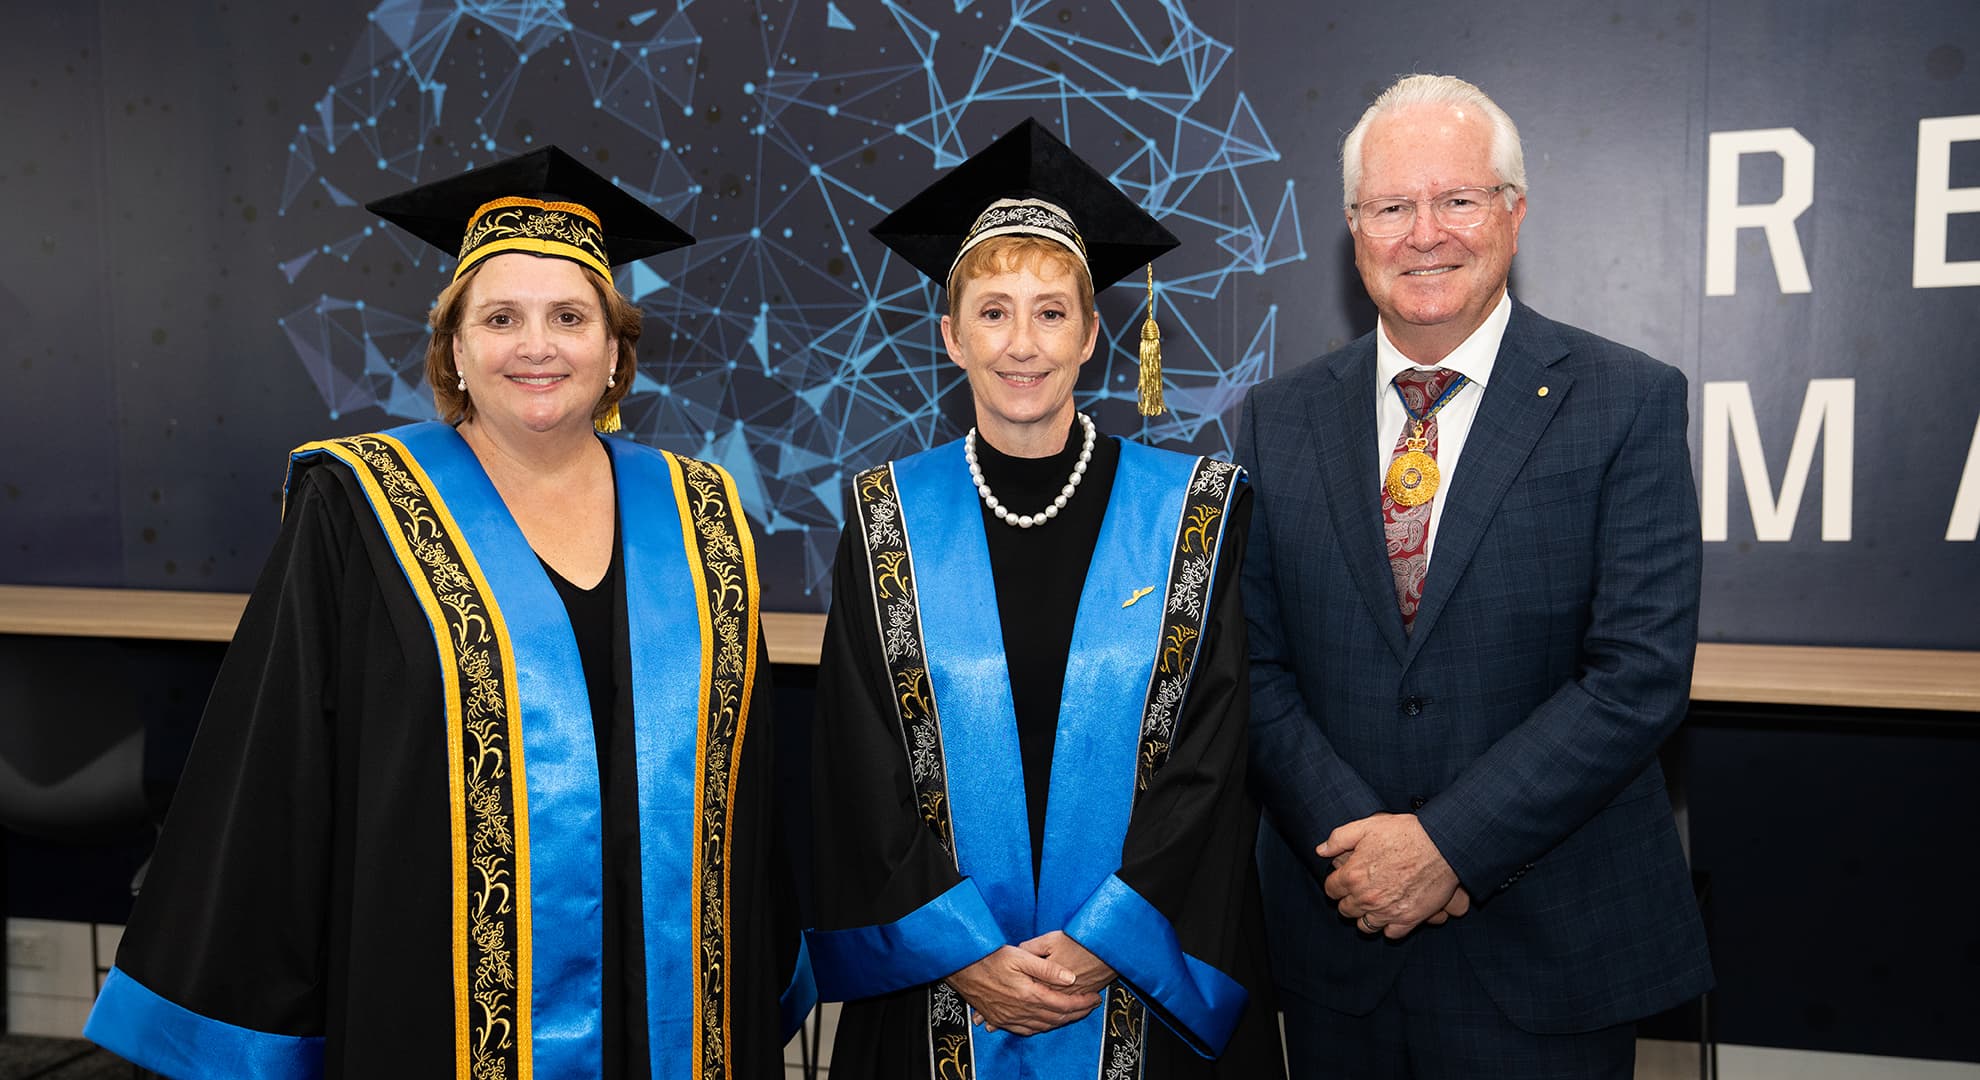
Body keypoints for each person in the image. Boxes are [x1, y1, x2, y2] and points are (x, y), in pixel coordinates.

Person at [84, 146, 809, 1078]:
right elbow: (279, 764)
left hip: (677, 1006)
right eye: (501, 317)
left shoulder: (705, 514)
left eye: (571, 317)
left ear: (616, 351)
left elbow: (748, 781)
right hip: (438, 1003)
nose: (537, 346)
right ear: (455, 349)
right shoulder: (360, 505)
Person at [1238, 73, 1713, 1078]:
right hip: (1340, 942)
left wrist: (1447, 845)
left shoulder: (1626, 402)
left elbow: (1637, 676)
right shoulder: (1277, 421)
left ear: (1513, 211)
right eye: (1391, 206)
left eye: (1456, 199)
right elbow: (1255, 665)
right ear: (1353, 227)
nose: (1424, 233)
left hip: (1550, 949)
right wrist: (1362, 851)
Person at [805, 118, 1283, 1080]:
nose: (1022, 344)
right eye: (992, 312)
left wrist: (1112, 937)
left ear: (1094, 333)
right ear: (950, 336)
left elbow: (1214, 755)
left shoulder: (1193, 514)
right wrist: (965, 954)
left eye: (1051, 312)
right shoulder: (887, 517)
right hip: (941, 992)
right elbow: (858, 764)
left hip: (1136, 988)